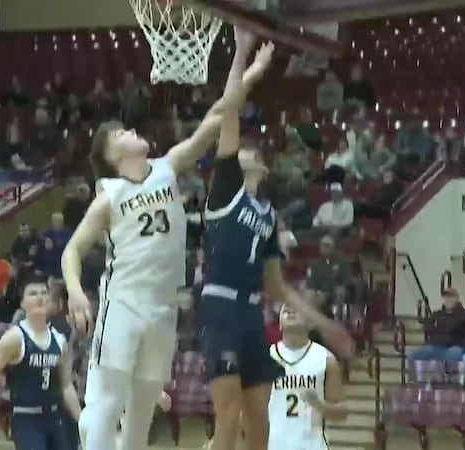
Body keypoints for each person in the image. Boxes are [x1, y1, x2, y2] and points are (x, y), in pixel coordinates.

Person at [61, 28, 274, 450]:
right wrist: (74, 291)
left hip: (163, 306)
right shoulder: (109, 196)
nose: (131, 131)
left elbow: (220, 114)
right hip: (123, 300)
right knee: (105, 407)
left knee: (142, 414)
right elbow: (73, 249)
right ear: (112, 155)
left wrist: (246, 63)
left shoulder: (167, 166)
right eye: (120, 133)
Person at [199, 31, 353, 450]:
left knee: (259, 425)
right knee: (227, 418)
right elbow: (230, 108)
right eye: (240, 151)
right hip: (219, 305)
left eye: (253, 154)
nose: (244, 153)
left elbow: (278, 287)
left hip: (251, 314)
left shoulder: (268, 215)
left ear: (264, 169)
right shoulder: (226, 189)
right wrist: (244, 55)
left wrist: (326, 325)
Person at [0, 279, 81, 450]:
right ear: (23, 303)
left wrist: (83, 422)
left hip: (57, 417)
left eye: (43, 293)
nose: (40, 297)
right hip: (27, 419)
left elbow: (66, 386)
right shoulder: (14, 338)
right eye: (33, 294)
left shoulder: (59, 340)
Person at [268, 304, 346, 450]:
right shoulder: (266, 358)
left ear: (310, 323)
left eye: (296, 308)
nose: (290, 310)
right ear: (279, 324)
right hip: (274, 445)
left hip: (312, 445)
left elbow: (342, 412)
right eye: (285, 310)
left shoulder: (325, 359)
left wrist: (319, 405)